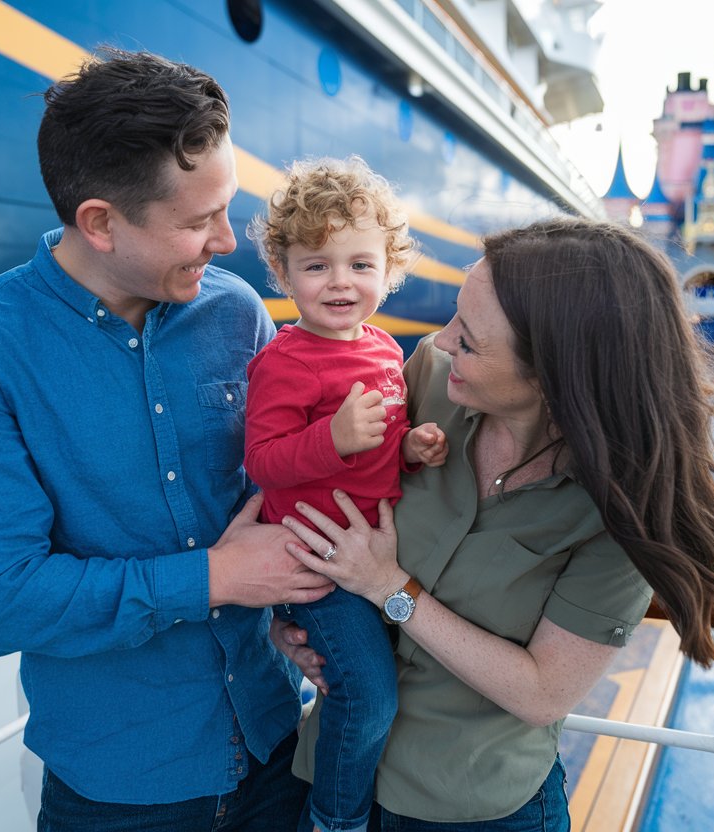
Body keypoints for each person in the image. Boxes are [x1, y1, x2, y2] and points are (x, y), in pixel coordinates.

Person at [0, 48, 334, 831]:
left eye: (228, 209)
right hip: (122, 793)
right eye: (200, 222)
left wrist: (297, 619)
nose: (228, 243)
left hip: (283, 748)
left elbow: (273, 501)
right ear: (100, 222)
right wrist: (211, 578)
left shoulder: (238, 314)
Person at [274, 218, 714, 830]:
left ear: (552, 375)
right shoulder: (424, 380)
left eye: (469, 341)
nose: (442, 341)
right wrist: (292, 630)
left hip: (471, 808)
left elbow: (542, 692)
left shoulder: (621, 510)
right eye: (453, 318)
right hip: (335, 775)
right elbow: (314, 500)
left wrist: (388, 588)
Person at [244, 157, 448, 832]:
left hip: (375, 553)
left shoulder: (387, 350)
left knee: (375, 691)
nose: (340, 282)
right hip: (320, 561)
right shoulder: (284, 360)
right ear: (284, 273)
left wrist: (410, 450)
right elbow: (265, 463)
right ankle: (336, 820)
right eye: (317, 264)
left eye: (360, 264)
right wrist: (331, 437)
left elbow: (378, 454)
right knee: (366, 697)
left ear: (389, 270)